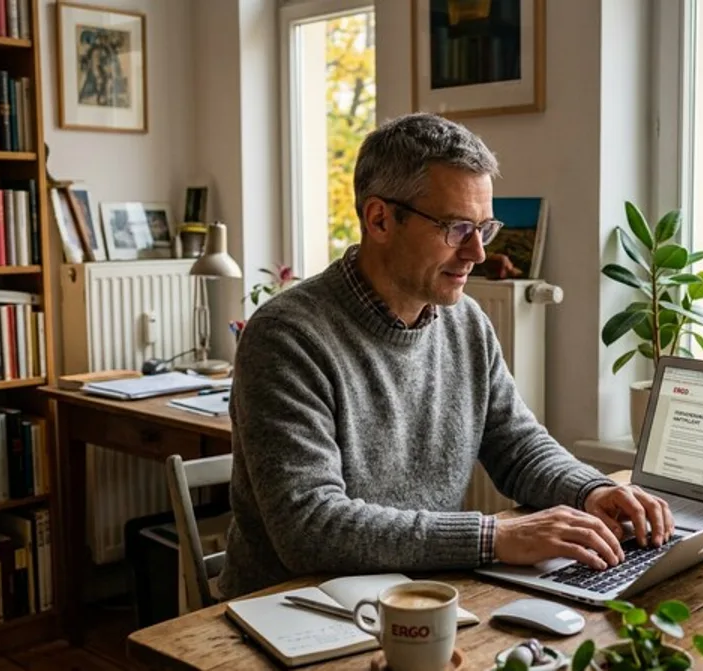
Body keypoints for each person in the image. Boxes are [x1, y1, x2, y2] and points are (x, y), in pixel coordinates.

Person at [216, 113, 674, 600]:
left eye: (484, 227)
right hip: (293, 611)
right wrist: (494, 538)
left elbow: (516, 445)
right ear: (380, 219)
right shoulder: (287, 335)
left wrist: (591, 492)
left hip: (422, 595)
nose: (477, 253)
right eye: (457, 228)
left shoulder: (466, 322)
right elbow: (311, 527)